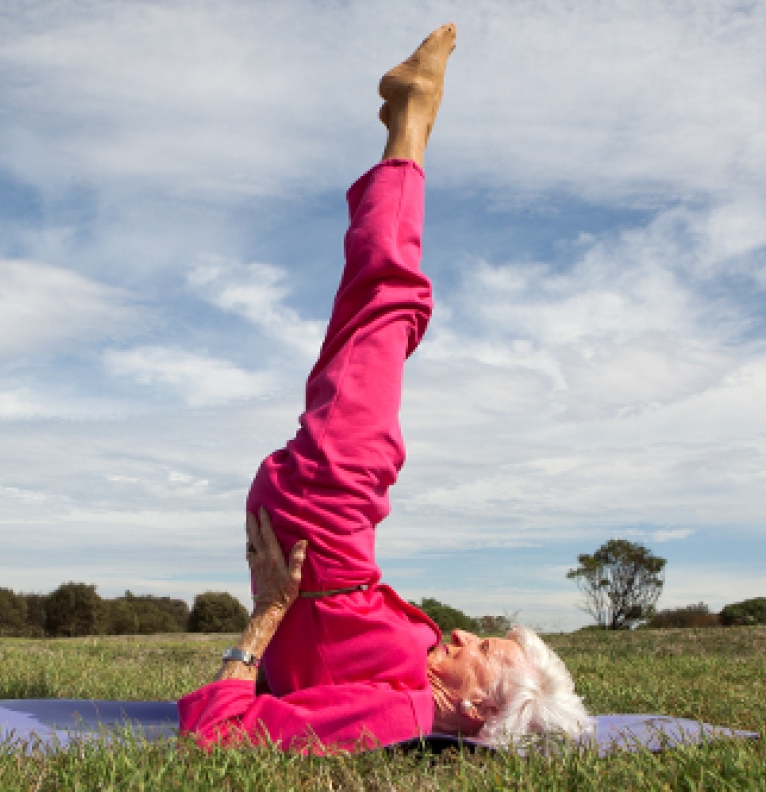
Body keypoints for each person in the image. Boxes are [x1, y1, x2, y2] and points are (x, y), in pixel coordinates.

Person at [178, 23, 590, 753]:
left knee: (390, 306)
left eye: (483, 653)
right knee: (375, 311)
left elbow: (221, 738)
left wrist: (264, 622)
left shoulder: (405, 716)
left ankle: (411, 124)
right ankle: (406, 127)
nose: (463, 633)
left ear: (477, 713)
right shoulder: (417, 687)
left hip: (325, 511)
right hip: (330, 526)